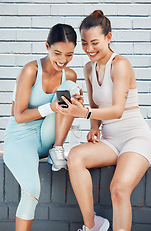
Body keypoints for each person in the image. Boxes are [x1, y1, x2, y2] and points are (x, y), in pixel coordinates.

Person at [56, 10, 151, 231]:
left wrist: (85, 114)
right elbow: (96, 105)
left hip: (135, 138)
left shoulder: (120, 65)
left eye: (95, 43)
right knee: (76, 157)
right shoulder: (89, 68)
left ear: (109, 38)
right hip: (110, 140)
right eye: (84, 43)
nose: (89, 49)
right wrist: (93, 127)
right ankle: (92, 225)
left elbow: (118, 110)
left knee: (118, 188)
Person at [3, 23, 81, 231]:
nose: (63, 60)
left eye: (70, 55)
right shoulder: (31, 70)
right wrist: (51, 107)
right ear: (47, 46)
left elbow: (66, 110)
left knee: (72, 88)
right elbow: (18, 116)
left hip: (47, 136)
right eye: (57, 53)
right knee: (31, 189)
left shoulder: (69, 76)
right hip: (21, 138)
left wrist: (76, 105)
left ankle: (57, 150)